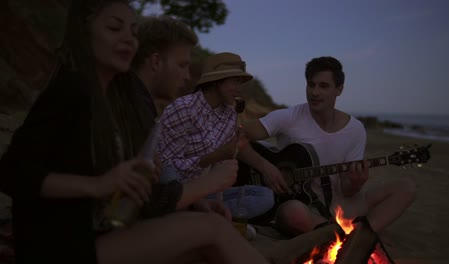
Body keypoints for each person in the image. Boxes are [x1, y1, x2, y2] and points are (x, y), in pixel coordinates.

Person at [0, 1, 270, 263]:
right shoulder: (75, 90)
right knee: (212, 229)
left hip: (93, 231)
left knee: (207, 240)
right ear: (84, 33)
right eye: (115, 28)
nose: (129, 40)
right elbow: (12, 171)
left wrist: (192, 198)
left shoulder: (111, 98)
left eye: (132, 31)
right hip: (62, 246)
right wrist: (101, 184)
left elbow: (134, 186)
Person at [242, 56, 416, 236]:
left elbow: (346, 190)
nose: (315, 92)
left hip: (338, 204)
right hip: (300, 206)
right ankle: (348, 236)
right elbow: (234, 137)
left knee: (406, 187)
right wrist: (266, 167)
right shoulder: (289, 117)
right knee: (292, 213)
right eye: (311, 85)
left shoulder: (355, 129)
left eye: (323, 86)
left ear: (339, 90)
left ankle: (355, 237)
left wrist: (356, 183)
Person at [112, 15, 234, 218]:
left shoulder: (138, 100)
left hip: (168, 192)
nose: (187, 76)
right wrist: (207, 185)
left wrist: (196, 202)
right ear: (156, 61)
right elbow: (138, 203)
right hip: (112, 232)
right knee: (214, 229)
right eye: (182, 65)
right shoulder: (129, 106)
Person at [157, 52, 275, 220]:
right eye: (235, 81)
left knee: (265, 197)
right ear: (216, 82)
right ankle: (194, 215)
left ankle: (200, 215)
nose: (239, 89)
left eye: (240, 83)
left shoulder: (229, 115)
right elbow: (165, 166)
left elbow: (218, 171)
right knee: (168, 177)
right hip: (175, 189)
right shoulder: (184, 108)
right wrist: (214, 157)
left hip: (207, 192)